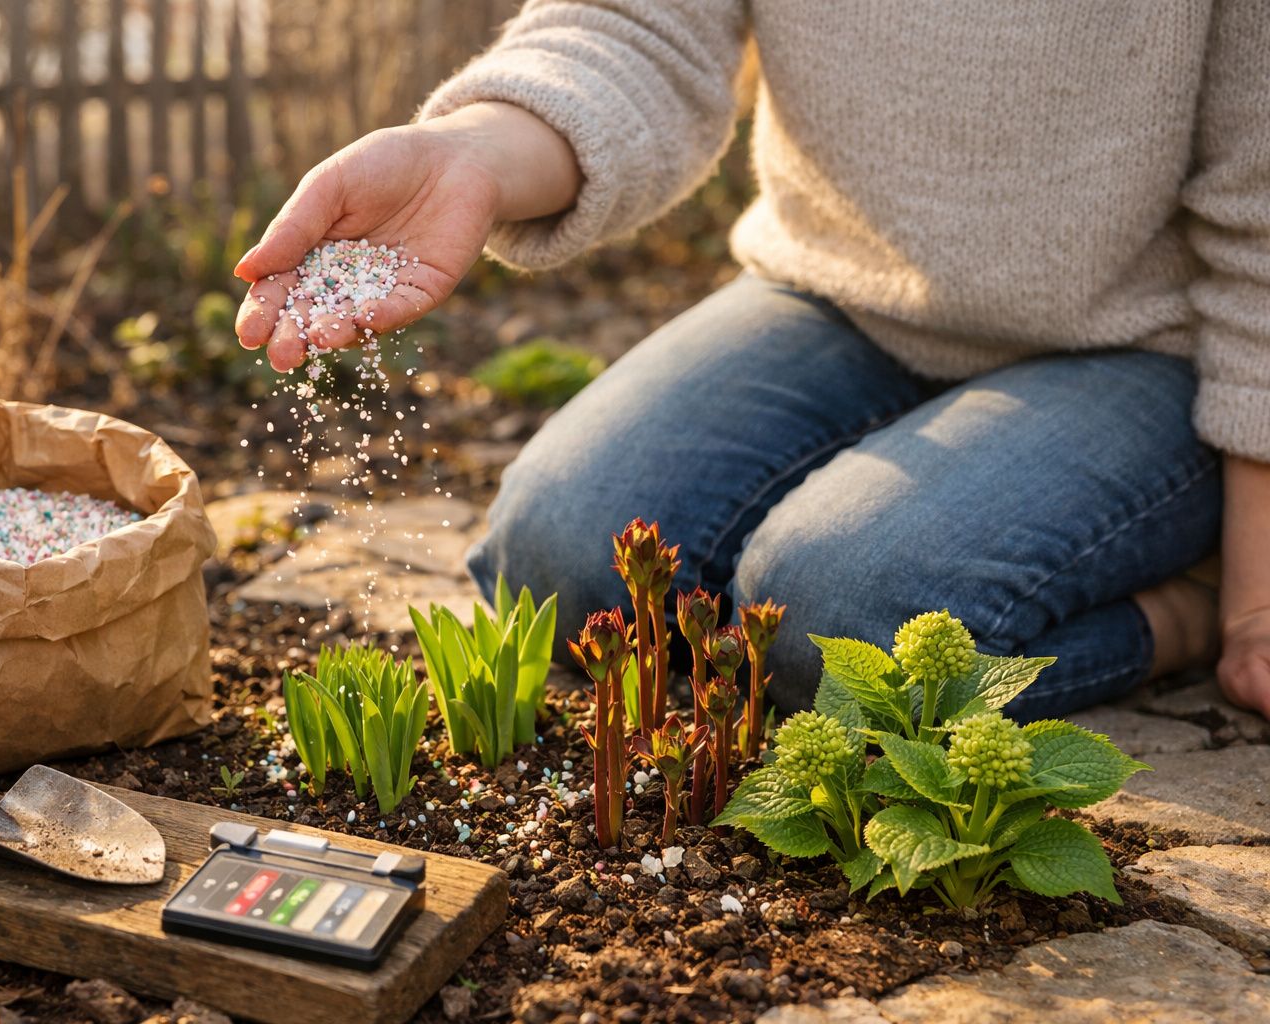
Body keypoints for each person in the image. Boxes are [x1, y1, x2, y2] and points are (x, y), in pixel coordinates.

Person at [233, 1, 1270, 722]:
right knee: (558, 566)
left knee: (849, 631)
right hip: (834, 294)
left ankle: (1167, 605)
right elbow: (633, 28)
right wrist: (471, 153)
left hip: (1142, 345)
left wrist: (1253, 598)